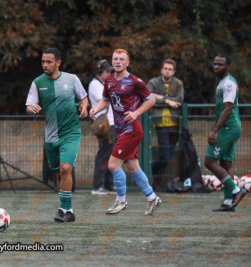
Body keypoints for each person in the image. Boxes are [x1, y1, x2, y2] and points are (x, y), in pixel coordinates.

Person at [90, 49, 161, 216]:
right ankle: (152, 197)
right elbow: (106, 100)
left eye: (122, 59)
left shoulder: (135, 81)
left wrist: (136, 113)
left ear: (127, 63)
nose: (118, 62)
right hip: (120, 129)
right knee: (132, 167)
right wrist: (96, 109)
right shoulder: (109, 81)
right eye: (115, 59)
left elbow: (151, 99)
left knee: (113, 164)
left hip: (132, 129)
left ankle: (121, 201)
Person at [26, 48, 88, 223]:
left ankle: (63, 209)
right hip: (51, 136)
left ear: (58, 63)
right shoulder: (38, 82)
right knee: (59, 172)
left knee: (66, 168)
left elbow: (83, 98)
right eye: (43, 62)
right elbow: (29, 104)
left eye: (49, 62)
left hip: (71, 132)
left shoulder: (72, 79)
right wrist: (31, 108)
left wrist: (84, 107)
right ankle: (68, 211)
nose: (45, 65)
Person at [204, 54, 246, 212]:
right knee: (226, 163)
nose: (216, 66)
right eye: (214, 64)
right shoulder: (224, 81)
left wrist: (215, 129)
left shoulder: (228, 83)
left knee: (209, 161)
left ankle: (236, 191)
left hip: (228, 127)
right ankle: (229, 202)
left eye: (220, 64)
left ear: (228, 67)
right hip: (232, 126)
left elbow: (228, 109)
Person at [147, 59, 184, 189]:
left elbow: (179, 100)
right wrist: (168, 101)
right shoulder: (154, 82)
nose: (167, 71)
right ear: (161, 70)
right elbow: (148, 95)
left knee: (170, 152)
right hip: (159, 123)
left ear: (173, 72)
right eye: (165, 68)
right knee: (165, 153)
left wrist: (159, 97)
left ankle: (157, 182)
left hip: (174, 123)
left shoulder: (178, 83)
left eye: (170, 69)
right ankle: (147, 171)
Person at [88, 59, 116, 195]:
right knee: (104, 154)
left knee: (111, 154)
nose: (110, 73)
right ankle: (98, 186)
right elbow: (104, 99)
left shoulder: (105, 83)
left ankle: (108, 184)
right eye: (107, 71)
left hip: (110, 123)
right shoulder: (95, 84)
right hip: (103, 124)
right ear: (100, 72)